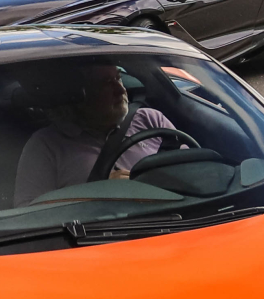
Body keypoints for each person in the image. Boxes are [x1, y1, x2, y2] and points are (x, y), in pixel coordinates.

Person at [12, 62, 181, 206]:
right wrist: (97, 193)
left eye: (118, 78)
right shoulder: (46, 144)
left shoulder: (150, 119)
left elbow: (193, 170)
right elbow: (27, 210)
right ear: (78, 95)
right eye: (106, 83)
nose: (121, 90)